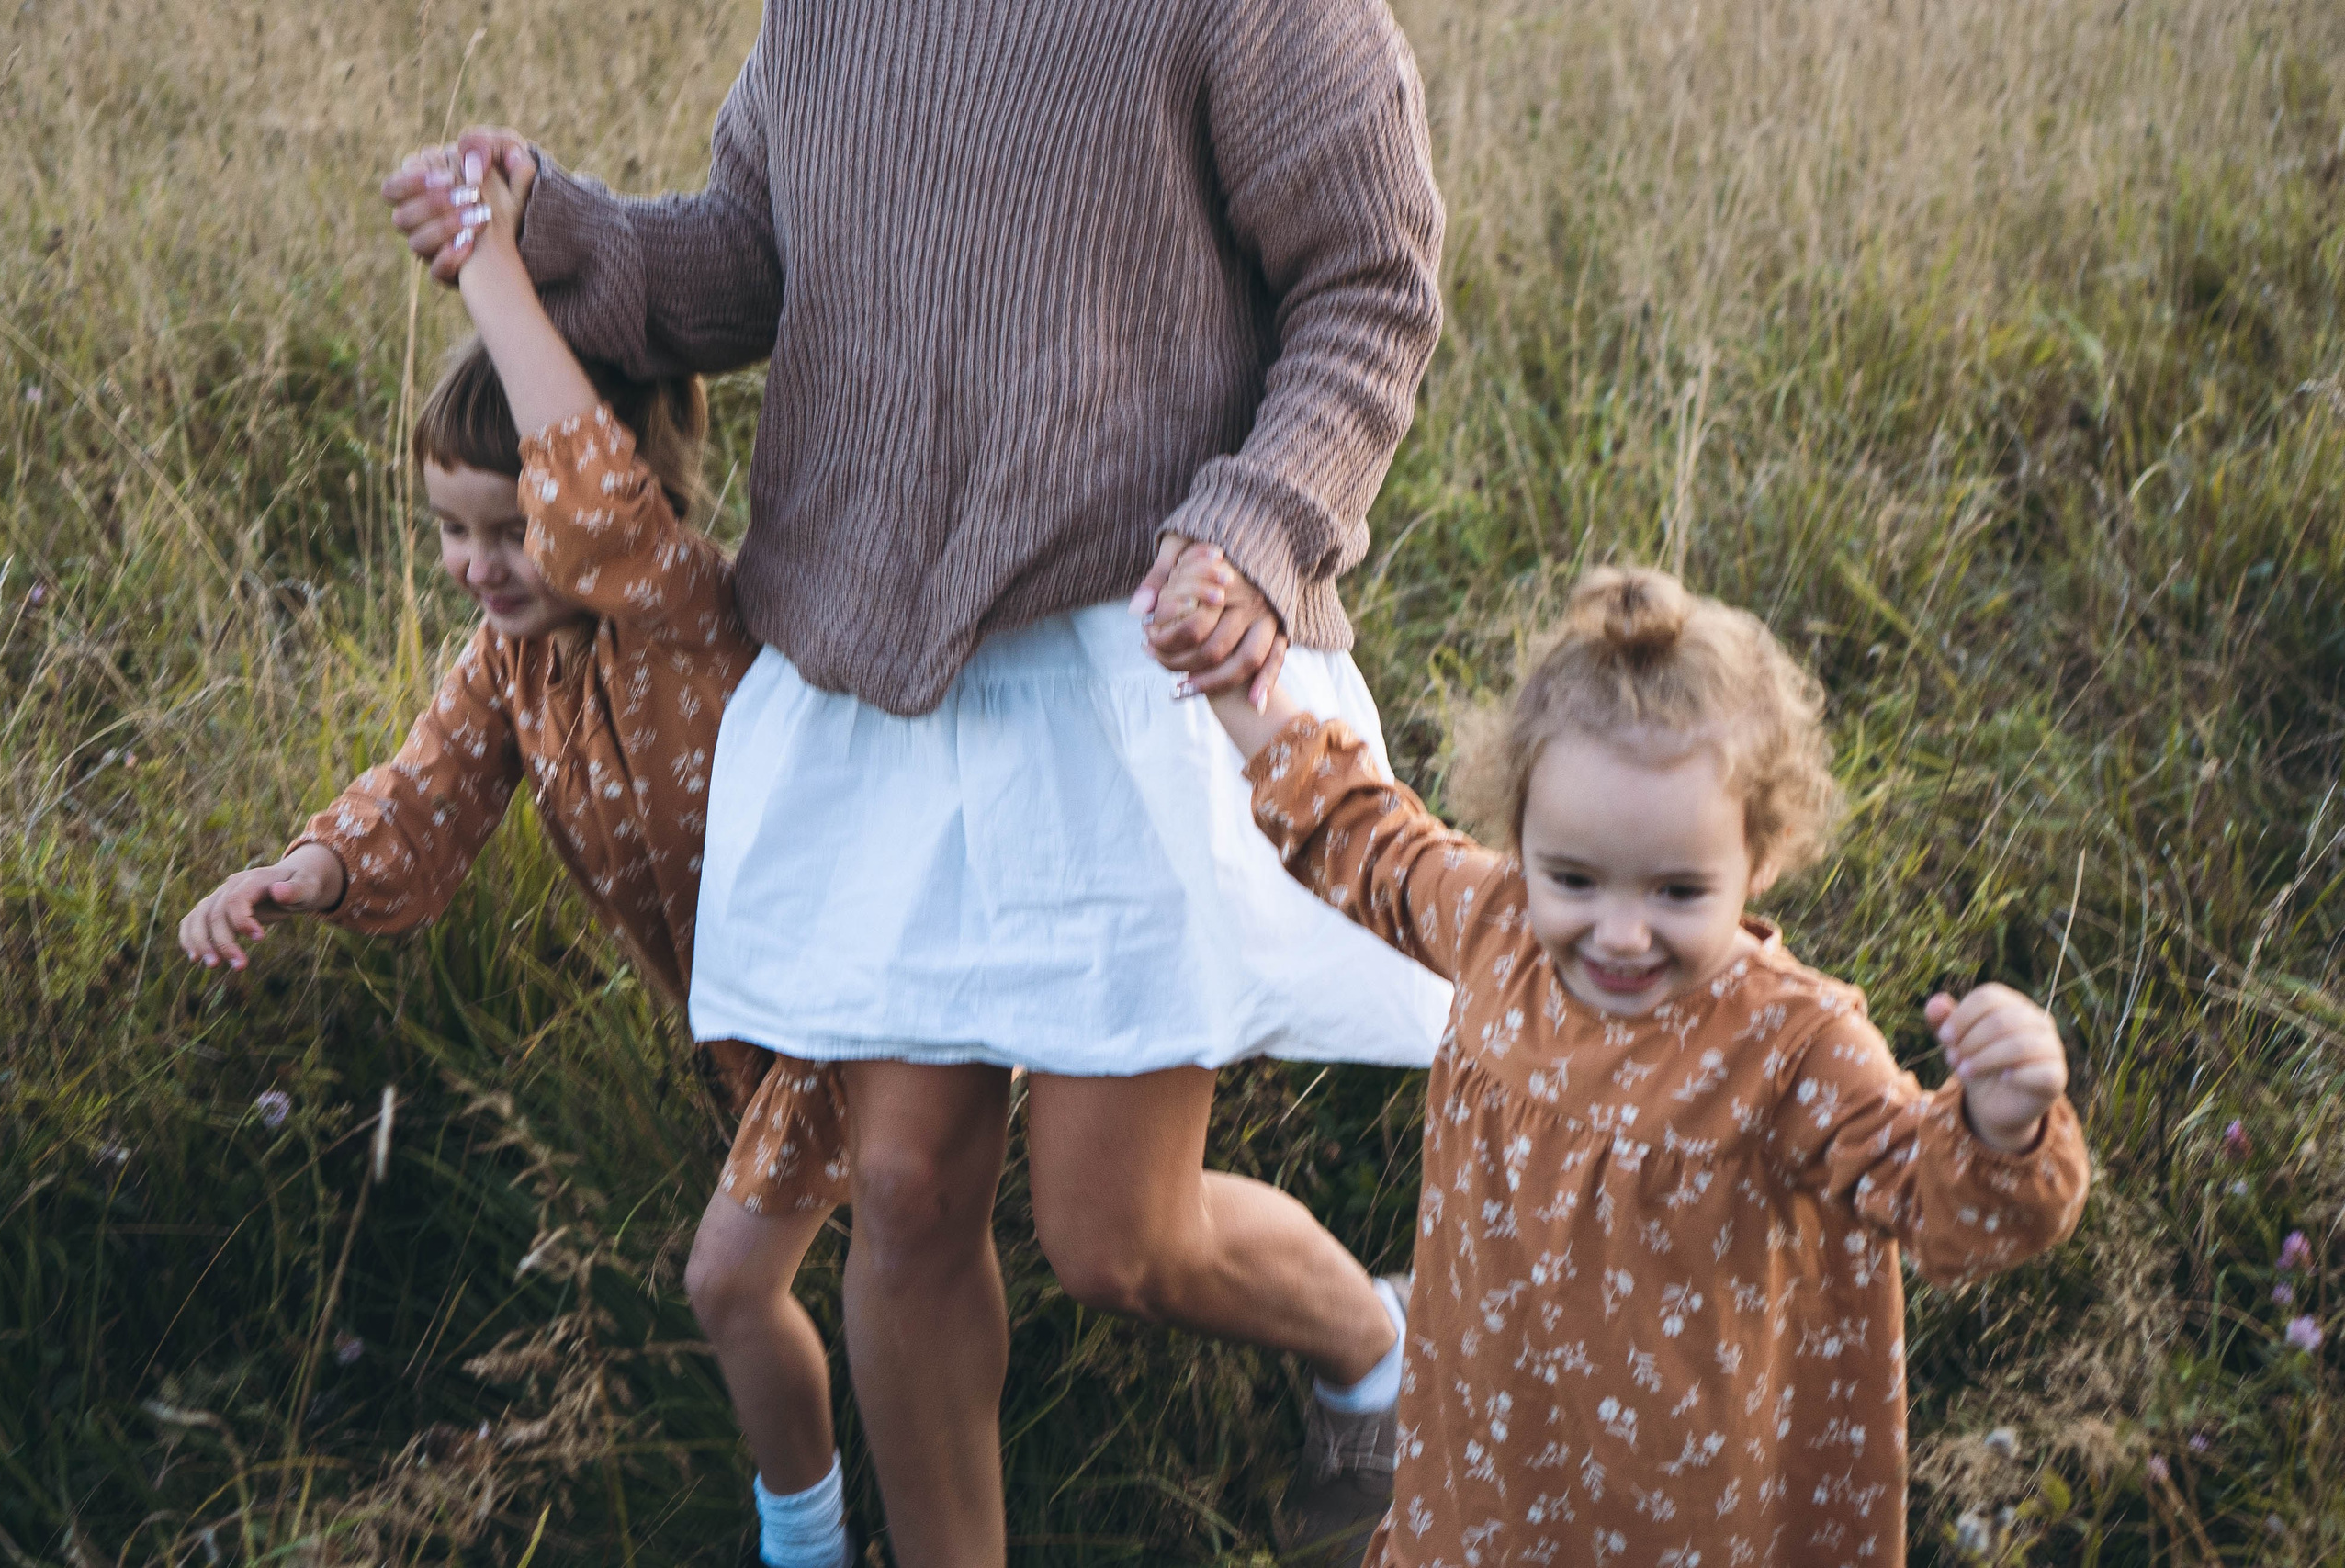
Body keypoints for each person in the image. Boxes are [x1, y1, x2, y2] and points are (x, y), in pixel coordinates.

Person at [382, 1, 1455, 1562]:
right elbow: (746, 260)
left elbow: (1372, 290)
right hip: (868, 660)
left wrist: (1254, 527)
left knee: (1116, 1237)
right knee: (900, 1187)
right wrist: (555, 218)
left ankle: (1378, 1350)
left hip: (1123, 651)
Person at [178, 157, 860, 1568]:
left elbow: (594, 506)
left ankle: (810, 1544)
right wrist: (303, 869)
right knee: (825, 1278)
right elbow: (424, 787)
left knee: (731, 1282)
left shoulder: (678, 607)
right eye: (452, 529)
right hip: (741, 1029)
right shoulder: (515, 665)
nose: (480, 562)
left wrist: (492, 257)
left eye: (511, 523)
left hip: (841, 1002)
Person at [1175, 559, 2092, 1566]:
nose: (1618, 933)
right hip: (1488, 1457)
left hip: (1683, 1498)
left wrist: (2002, 1126)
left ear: (1762, 856)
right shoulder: (1494, 925)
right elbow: (1356, 828)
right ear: (1517, 833)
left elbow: (1942, 1207)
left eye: (1676, 892)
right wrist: (1234, 679)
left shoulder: (1791, 1047)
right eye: (1572, 876)